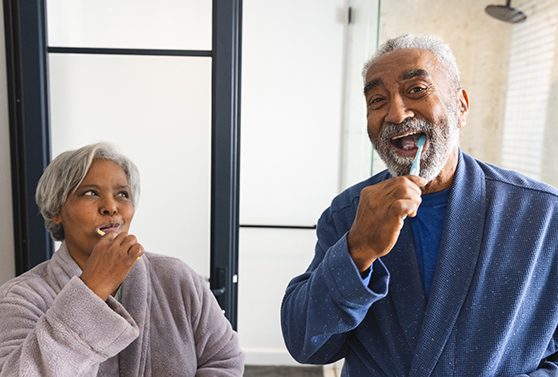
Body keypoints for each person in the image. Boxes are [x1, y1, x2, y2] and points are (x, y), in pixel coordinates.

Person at [281, 34, 558, 376]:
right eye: (378, 99)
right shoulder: (348, 213)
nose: (396, 113)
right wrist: (357, 251)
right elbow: (306, 344)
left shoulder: (543, 214)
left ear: (461, 106)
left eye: (416, 90)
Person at [0, 142, 244, 376]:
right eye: (91, 193)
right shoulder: (21, 297)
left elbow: (225, 359)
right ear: (56, 211)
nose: (111, 207)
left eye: (122, 195)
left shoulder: (177, 277)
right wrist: (91, 289)